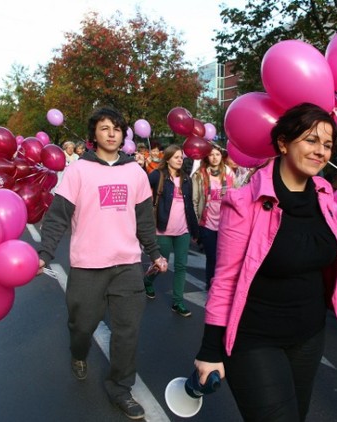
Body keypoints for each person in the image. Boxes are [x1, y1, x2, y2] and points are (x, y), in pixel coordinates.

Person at [193, 103, 337, 421]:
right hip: (254, 341)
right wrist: (209, 352)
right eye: (311, 140)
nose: (320, 150)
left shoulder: (324, 195)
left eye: (327, 143)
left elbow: (334, 255)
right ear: (283, 143)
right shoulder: (242, 203)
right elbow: (224, 281)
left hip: (309, 337)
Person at [36, 106, 168, 420]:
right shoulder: (79, 170)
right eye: (105, 127)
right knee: (82, 325)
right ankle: (78, 352)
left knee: (127, 332)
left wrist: (155, 253)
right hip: (87, 266)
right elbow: (56, 218)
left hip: (126, 265)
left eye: (117, 128)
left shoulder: (134, 171)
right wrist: (44, 254)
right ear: (93, 134)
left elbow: (143, 221)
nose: (111, 133)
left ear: (124, 135)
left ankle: (121, 389)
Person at [145, 144, 199, 317]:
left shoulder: (186, 179)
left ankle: (178, 302)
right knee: (161, 265)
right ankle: (148, 280)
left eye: (181, 157)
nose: (179, 160)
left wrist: (195, 230)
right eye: (176, 157)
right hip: (163, 230)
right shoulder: (158, 175)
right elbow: (141, 189)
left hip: (183, 230)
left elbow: (190, 206)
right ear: (167, 158)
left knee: (181, 266)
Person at [192, 144, 237, 290]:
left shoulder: (229, 172)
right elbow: (195, 200)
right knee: (212, 256)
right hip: (207, 224)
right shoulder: (200, 175)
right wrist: (195, 222)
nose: (214, 157)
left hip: (227, 223)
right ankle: (210, 283)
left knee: (225, 257)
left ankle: (222, 284)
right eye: (211, 155)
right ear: (207, 157)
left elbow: (237, 194)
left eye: (217, 154)